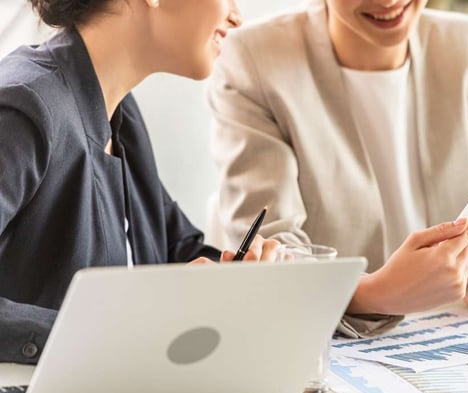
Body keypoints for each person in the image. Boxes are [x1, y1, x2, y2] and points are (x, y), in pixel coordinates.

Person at [207, 0, 468, 335]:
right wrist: (376, 292)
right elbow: (270, 258)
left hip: (456, 354)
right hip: (334, 359)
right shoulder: (255, 60)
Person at [0, 0, 281, 364]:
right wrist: (116, 327)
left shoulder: (120, 110)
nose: (236, 15)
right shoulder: (23, 110)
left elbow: (173, 250)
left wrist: (240, 281)